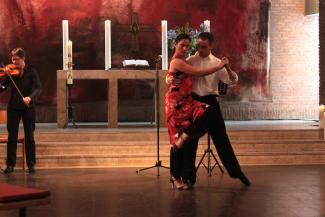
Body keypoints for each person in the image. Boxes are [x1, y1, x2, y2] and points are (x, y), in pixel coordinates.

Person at [173, 32, 251, 188]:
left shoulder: (217, 62)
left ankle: (237, 172)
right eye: (198, 46)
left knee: (222, 139)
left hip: (210, 101)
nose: (200, 49)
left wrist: (227, 67)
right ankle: (189, 178)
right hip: (194, 101)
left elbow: (233, 81)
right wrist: (170, 78)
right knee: (191, 143)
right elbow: (176, 74)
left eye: (204, 47)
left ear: (210, 46)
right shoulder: (190, 61)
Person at [165, 33, 229, 189]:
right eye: (182, 45)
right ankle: (175, 176)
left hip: (187, 102)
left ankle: (185, 176)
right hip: (175, 104)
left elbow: (172, 76)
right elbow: (198, 72)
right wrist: (219, 66)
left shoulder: (184, 60)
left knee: (207, 115)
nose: (186, 48)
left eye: (188, 45)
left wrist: (168, 77)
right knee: (177, 140)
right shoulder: (177, 62)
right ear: (175, 44)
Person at [0, 48, 42, 174]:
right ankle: (10, 165)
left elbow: (39, 88)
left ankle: (31, 164)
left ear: (23, 59)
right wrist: (2, 79)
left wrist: (30, 97)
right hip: (13, 107)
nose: (13, 62)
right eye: (12, 59)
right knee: (12, 136)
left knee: (29, 136)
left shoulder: (31, 72)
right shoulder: (10, 73)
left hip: (28, 108)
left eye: (16, 59)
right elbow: (2, 88)